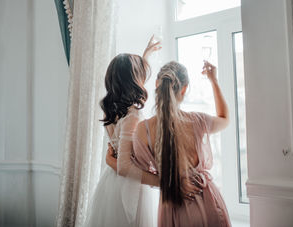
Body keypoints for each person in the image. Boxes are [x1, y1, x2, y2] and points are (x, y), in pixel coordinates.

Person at [128, 60, 231, 227]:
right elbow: (225, 119)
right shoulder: (197, 121)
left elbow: (137, 172)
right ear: (184, 89)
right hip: (209, 202)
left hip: (174, 205)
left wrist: (171, 182)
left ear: (157, 84)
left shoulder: (143, 130)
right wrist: (214, 80)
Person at [84, 37, 161, 227]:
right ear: (133, 81)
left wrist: (146, 56)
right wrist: (163, 182)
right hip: (129, 184)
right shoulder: (133, 116)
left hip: (111, 181)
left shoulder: (109, 108)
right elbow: (125, 166)